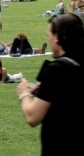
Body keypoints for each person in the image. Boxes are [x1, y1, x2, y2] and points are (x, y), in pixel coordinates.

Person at [16, 13, 84, 155]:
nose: (48, 39)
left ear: (57, 37)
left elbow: (32, 117)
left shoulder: (57, 69)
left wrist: (24, 93)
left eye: (49, 35)